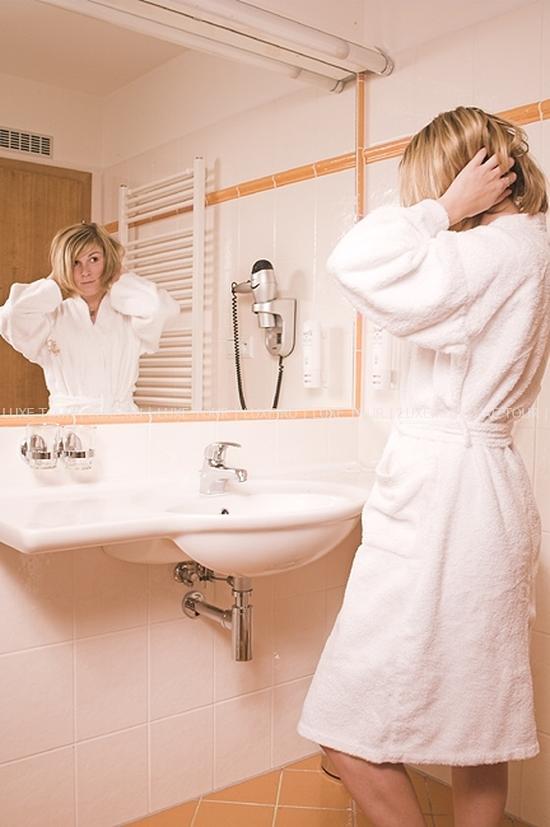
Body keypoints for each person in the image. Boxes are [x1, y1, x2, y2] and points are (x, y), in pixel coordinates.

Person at [298, 106, 550, 827]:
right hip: (484, 490)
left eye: (426, 185)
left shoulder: (491, 253)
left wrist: (443, 209)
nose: (420, 203)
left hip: (448, 499)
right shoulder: (529, 247)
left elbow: (354, 261)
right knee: (479, 725)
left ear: (464, 175)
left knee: (346, 731)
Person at [0, 222, 180, 413]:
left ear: (107, 260)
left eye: (93, 259)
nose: (85, 272)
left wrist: (120, 275)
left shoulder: (129, 311)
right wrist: (54, 282)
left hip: (120, 420)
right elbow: (10, 315)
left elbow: (161, 308)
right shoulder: (52, 314)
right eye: (75, 262)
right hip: (66, 422)